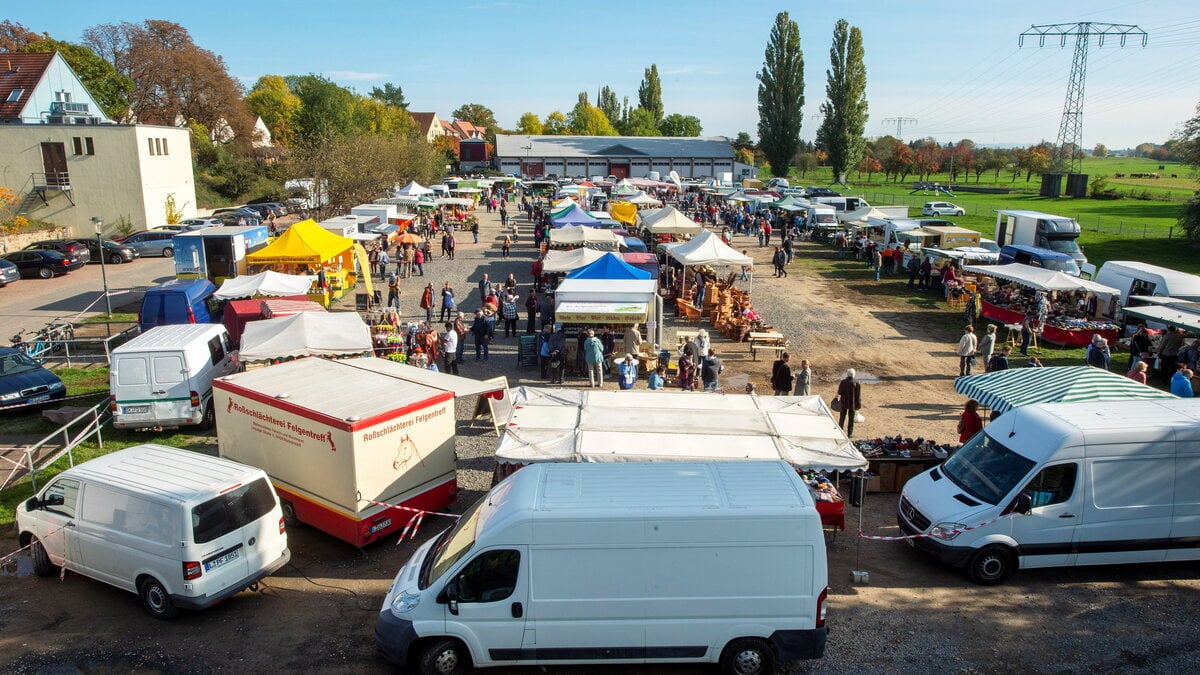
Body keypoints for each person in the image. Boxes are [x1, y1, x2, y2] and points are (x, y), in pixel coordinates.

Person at [836, 369, 862, 438]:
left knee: (842, 418)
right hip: (852, 404)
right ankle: (850, 433)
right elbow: (858, 395)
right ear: (854, 374)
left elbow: (839, 392)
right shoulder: (857, 382)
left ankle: (840, 431)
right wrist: (858, 405)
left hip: (844, 403)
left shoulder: (843, 382)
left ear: (847, 374)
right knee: (851, 419)